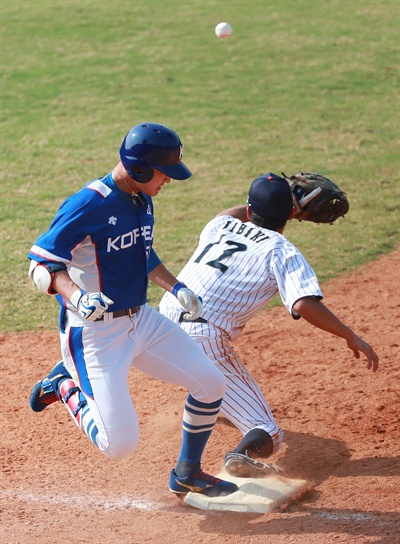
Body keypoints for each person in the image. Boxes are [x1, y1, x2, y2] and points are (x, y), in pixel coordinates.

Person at [27, 122, 238, 498]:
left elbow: (140, 250)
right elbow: (42, 265)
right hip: (96, 336)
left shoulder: (141, 197)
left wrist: (176, 287)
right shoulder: (88, 204)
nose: (168, 181)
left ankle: (187, 472)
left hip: (141, 321)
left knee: (211, 384)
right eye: (164, 173)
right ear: (139, 168)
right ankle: (62, 383)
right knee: (119, 445)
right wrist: (76, 296)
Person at [158, 172, 379, 478]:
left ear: (250, 210)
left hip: (161, 322)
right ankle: (239, 457)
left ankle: (218, 401)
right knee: (269, 431)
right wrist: (349, 335)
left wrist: (272, 195)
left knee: (205, 377)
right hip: (202, 338)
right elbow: (303, 303)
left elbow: (233, 212)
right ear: (291, 213)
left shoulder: (221, 226)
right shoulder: (281, 250)